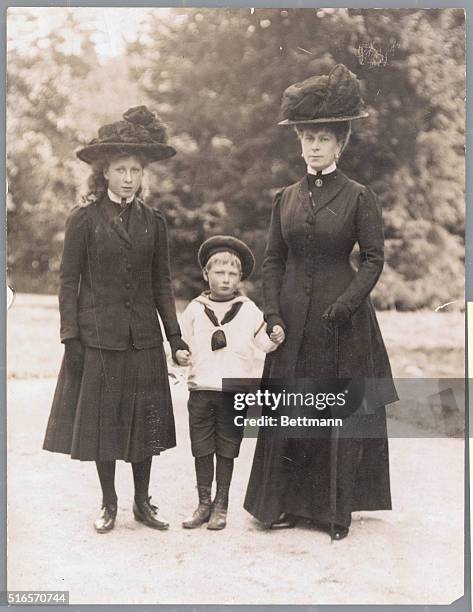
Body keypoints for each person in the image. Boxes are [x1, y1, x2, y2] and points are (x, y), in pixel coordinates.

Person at [243, 64, 398, 540]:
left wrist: (347, 305)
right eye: (307, 137)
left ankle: (331, 511)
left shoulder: (357, 196)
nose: (313, 146)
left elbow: (373, 258)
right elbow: (272, 260)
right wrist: (271, 313)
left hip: (341, 320)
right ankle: (284, 505)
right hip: (291, 318)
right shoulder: (284, 198)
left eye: (323, 138)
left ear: (340, 143)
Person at [43, 106, 189, 533]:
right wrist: (70, 336)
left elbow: (162, 284)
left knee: (145, 424)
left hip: (143, 339)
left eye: (135, 170)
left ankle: (143, 503)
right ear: (104, 173)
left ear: (143, 175)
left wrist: (175, 338)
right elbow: (68, 283)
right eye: (120, 169)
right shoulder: (83, 221)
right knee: (104, 425)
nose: (128, 177)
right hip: (99, 340)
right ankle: (109, 504)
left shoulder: (154, 222)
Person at [175, 236, 280, 530]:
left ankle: (221, 504)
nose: (226, 279)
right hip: (202, 389)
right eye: (219, 273)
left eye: (232, 274)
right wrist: (180, 354)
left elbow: (263, 343)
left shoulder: (248, 310)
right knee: (201, 448)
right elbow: (180, 343)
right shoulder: (195, 309)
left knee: (227, 448)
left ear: (240, 277)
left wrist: (274, 337)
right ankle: (203, 504)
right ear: (206, 274)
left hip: (234, 390)